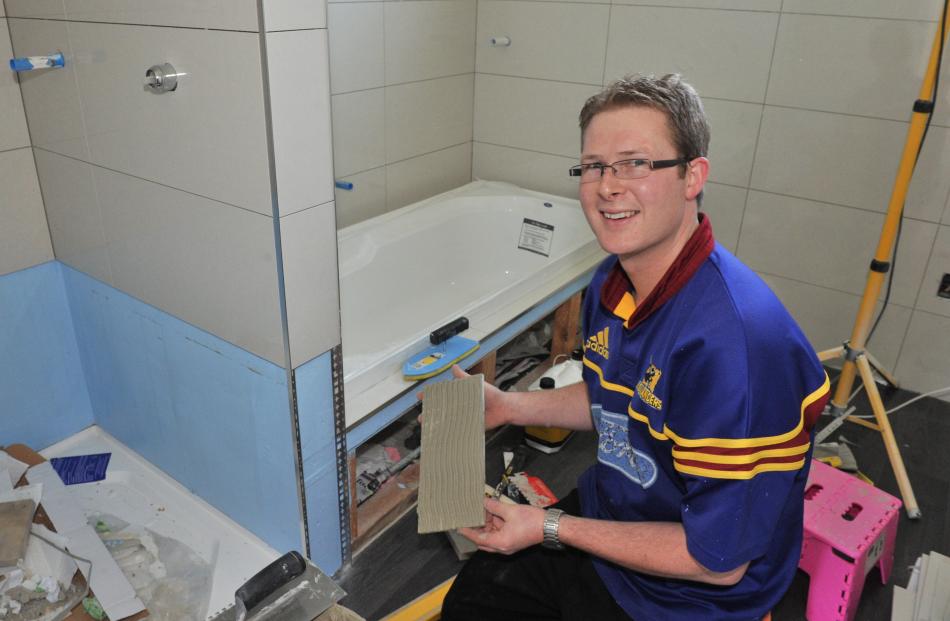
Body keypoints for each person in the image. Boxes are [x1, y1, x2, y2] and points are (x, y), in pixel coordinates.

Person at [438, 74, 831, 621]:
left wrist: (549, 526)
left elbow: (716, 560)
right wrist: (509, 405)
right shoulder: (611, 283)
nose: (607, 186)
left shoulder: (734, 349)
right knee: (473, 603)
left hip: (688, 596)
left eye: (635, 164)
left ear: (693, 175)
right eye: (595, 166)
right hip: (617, 513)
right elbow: (617, 401)